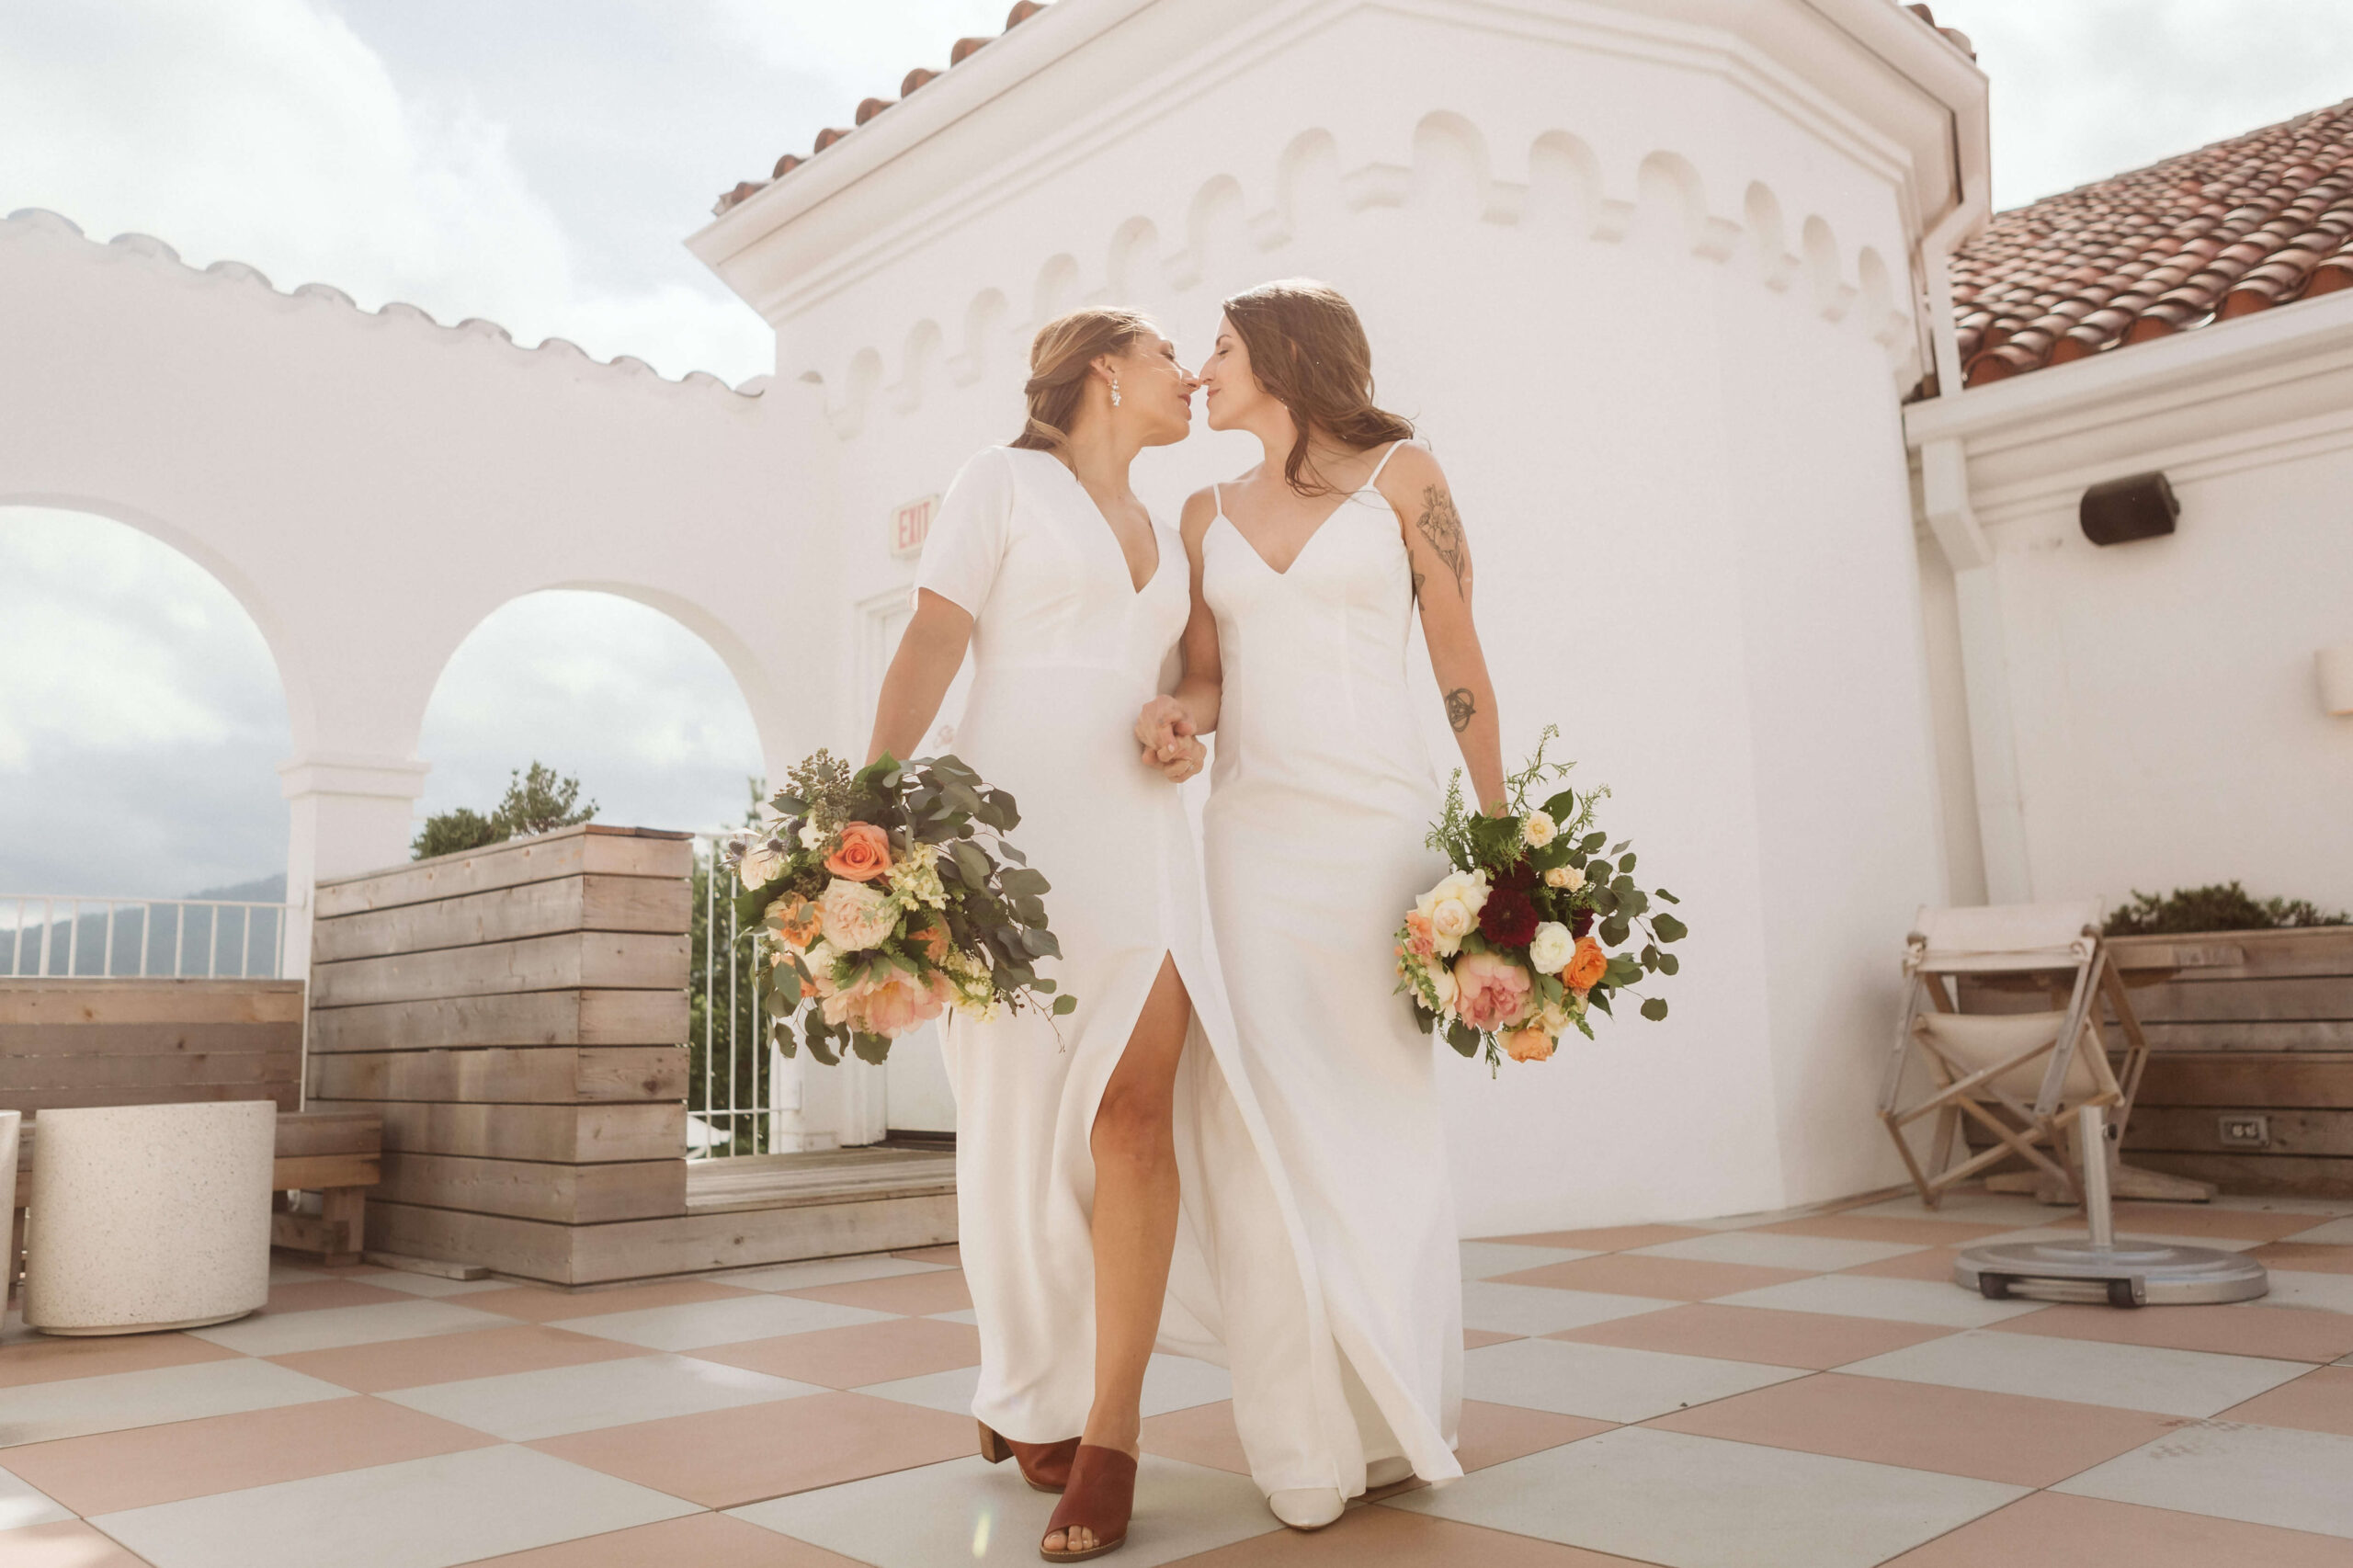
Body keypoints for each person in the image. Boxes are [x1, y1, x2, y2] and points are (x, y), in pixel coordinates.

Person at [870, 307, 1349, 1559]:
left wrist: (1179, 719)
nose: (1188, 374)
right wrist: (868, 794)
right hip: (1004, 840)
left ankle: (1114, 1429)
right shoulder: (1002, 483)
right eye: (1162, 356)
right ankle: (1021, 1386)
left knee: (1136, 1121)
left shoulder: (1168, 527)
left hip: (1141, 839)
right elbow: (934, 635)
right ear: (1101, 370)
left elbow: (1199, 673)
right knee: (1018, 1127)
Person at [1138, 278, 1504, 1527]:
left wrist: (1502, 837)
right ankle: (1301, 1445)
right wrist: (1175, 722)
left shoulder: (1408, 474)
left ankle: (1402, 1414)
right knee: (1260, 1131)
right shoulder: (1200, 514)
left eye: (1224, 346)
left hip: (1381, 843)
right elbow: (1204, 676)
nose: (1204, 366)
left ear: (1287, 358)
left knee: (1382, 1119)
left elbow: (1460, 656)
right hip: (1251, 844)